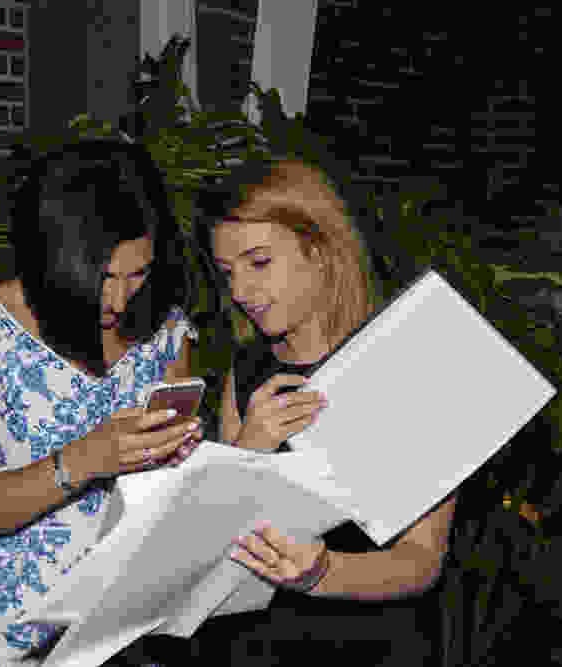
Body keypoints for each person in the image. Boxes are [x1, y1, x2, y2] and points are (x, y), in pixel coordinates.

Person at [0, 140, 208, 666]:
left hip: (124, 633)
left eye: (138, 274)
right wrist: (85, 459)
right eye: (103, 278)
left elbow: (169, 498)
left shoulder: (166, 333)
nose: (119, 300)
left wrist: (184, 464)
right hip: (3, 641)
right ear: (55, 257)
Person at [182, 159, 457, 666]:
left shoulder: (407, 363)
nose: (239, 291)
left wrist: (323, 573)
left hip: (373, 647)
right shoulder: (247, 370)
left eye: (259, 262)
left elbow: (421, 560)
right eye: (228, 273)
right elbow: (207, 544)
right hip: (250, 645)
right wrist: (248, 451)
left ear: (321, 249)